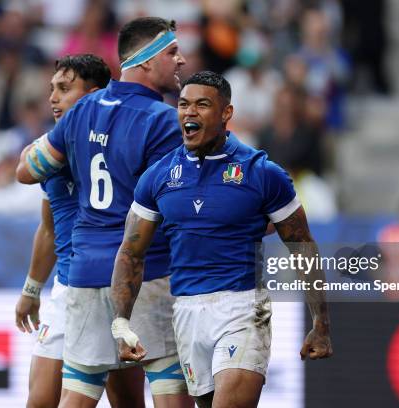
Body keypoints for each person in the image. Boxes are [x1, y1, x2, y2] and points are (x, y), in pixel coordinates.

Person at [110, 71, 333, 408]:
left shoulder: (262, 172)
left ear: (226, 113)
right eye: (184, 104)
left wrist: (321, 322)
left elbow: (302, 245)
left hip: (242, 308)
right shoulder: (158, 176)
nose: (190, 113)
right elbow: (130, 252)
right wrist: (121, 323)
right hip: (186, 311)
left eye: (202, 105)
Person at [16, 17, 193, 408]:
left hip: (82, 274)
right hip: (144, 274)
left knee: (77, 392)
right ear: (146, 61)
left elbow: (26, 171)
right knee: (167, 386)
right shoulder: (164, 121)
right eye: (172, 53)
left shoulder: (82, 112)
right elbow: (179, 207)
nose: (180, 61)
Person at [14, 54, 145, 408]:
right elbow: (49, 227)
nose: (53, 98)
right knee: (40, 401)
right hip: (66, 289)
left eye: (64, 88)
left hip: (113, 284)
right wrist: (31, 288)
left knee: (127, 402)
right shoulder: (52, 147)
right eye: (52, 89)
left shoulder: (125, 144)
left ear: (96, 94)